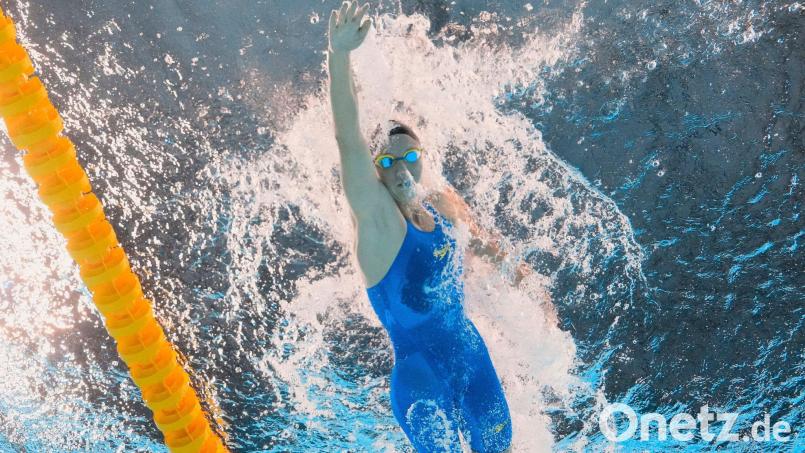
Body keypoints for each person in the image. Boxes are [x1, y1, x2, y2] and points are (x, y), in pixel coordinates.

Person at [326, 2, 529, 452]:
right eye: (387, 161)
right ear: (375, 171)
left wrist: (524, 283)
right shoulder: (379, 224)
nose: (401, 168)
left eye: (410, 157)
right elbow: (347, 140)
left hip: (473, 360)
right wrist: (339, 56)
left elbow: (482, 246)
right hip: (421, 382)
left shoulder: (441, 205)